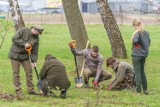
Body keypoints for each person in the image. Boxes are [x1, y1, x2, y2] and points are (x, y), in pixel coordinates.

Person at [8, 25, 44, 99]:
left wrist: (34, 60)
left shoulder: (36, 38)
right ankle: (18, 90)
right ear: (33, 29)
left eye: (38, 33)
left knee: (29, 72)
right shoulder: (22, 30)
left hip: (25, 56)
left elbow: (35, 50)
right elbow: (14, 38)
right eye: (37, 32)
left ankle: (31, 90)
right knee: (16, 73)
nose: (37, 34)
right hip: (15, 54)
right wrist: (24, 43)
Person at [131, 19, 150, 95]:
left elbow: (135, 41)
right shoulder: (146, 33)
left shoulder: (137, 33)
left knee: (137, 72)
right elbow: (149, 42)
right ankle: (145, 90)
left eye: (134, 26)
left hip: (136, 55)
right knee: (142, 72)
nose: (134, 28)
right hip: (144, 55)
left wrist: (137, 45)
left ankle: (138, 91)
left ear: (136, 25)